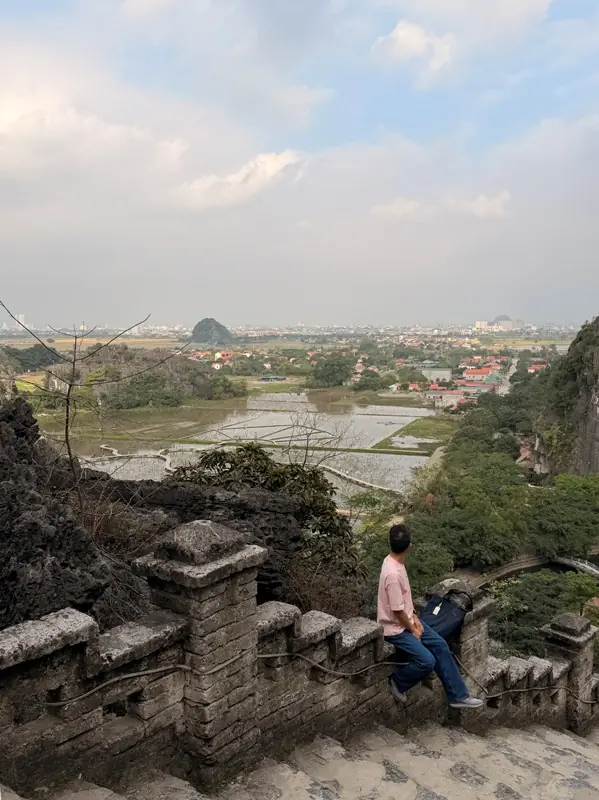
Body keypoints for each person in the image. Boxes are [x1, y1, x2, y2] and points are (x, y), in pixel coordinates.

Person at [377, 523, 483, 709]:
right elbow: (397, 610)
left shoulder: (395, 563)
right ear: (409, 546)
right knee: (426, 661)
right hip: (395, 629)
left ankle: (458, 696)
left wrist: (416, 618)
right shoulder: (393, 574)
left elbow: (405, 603)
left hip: (408, 621)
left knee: (441, 645)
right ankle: (397, 682)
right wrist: (413, 630)